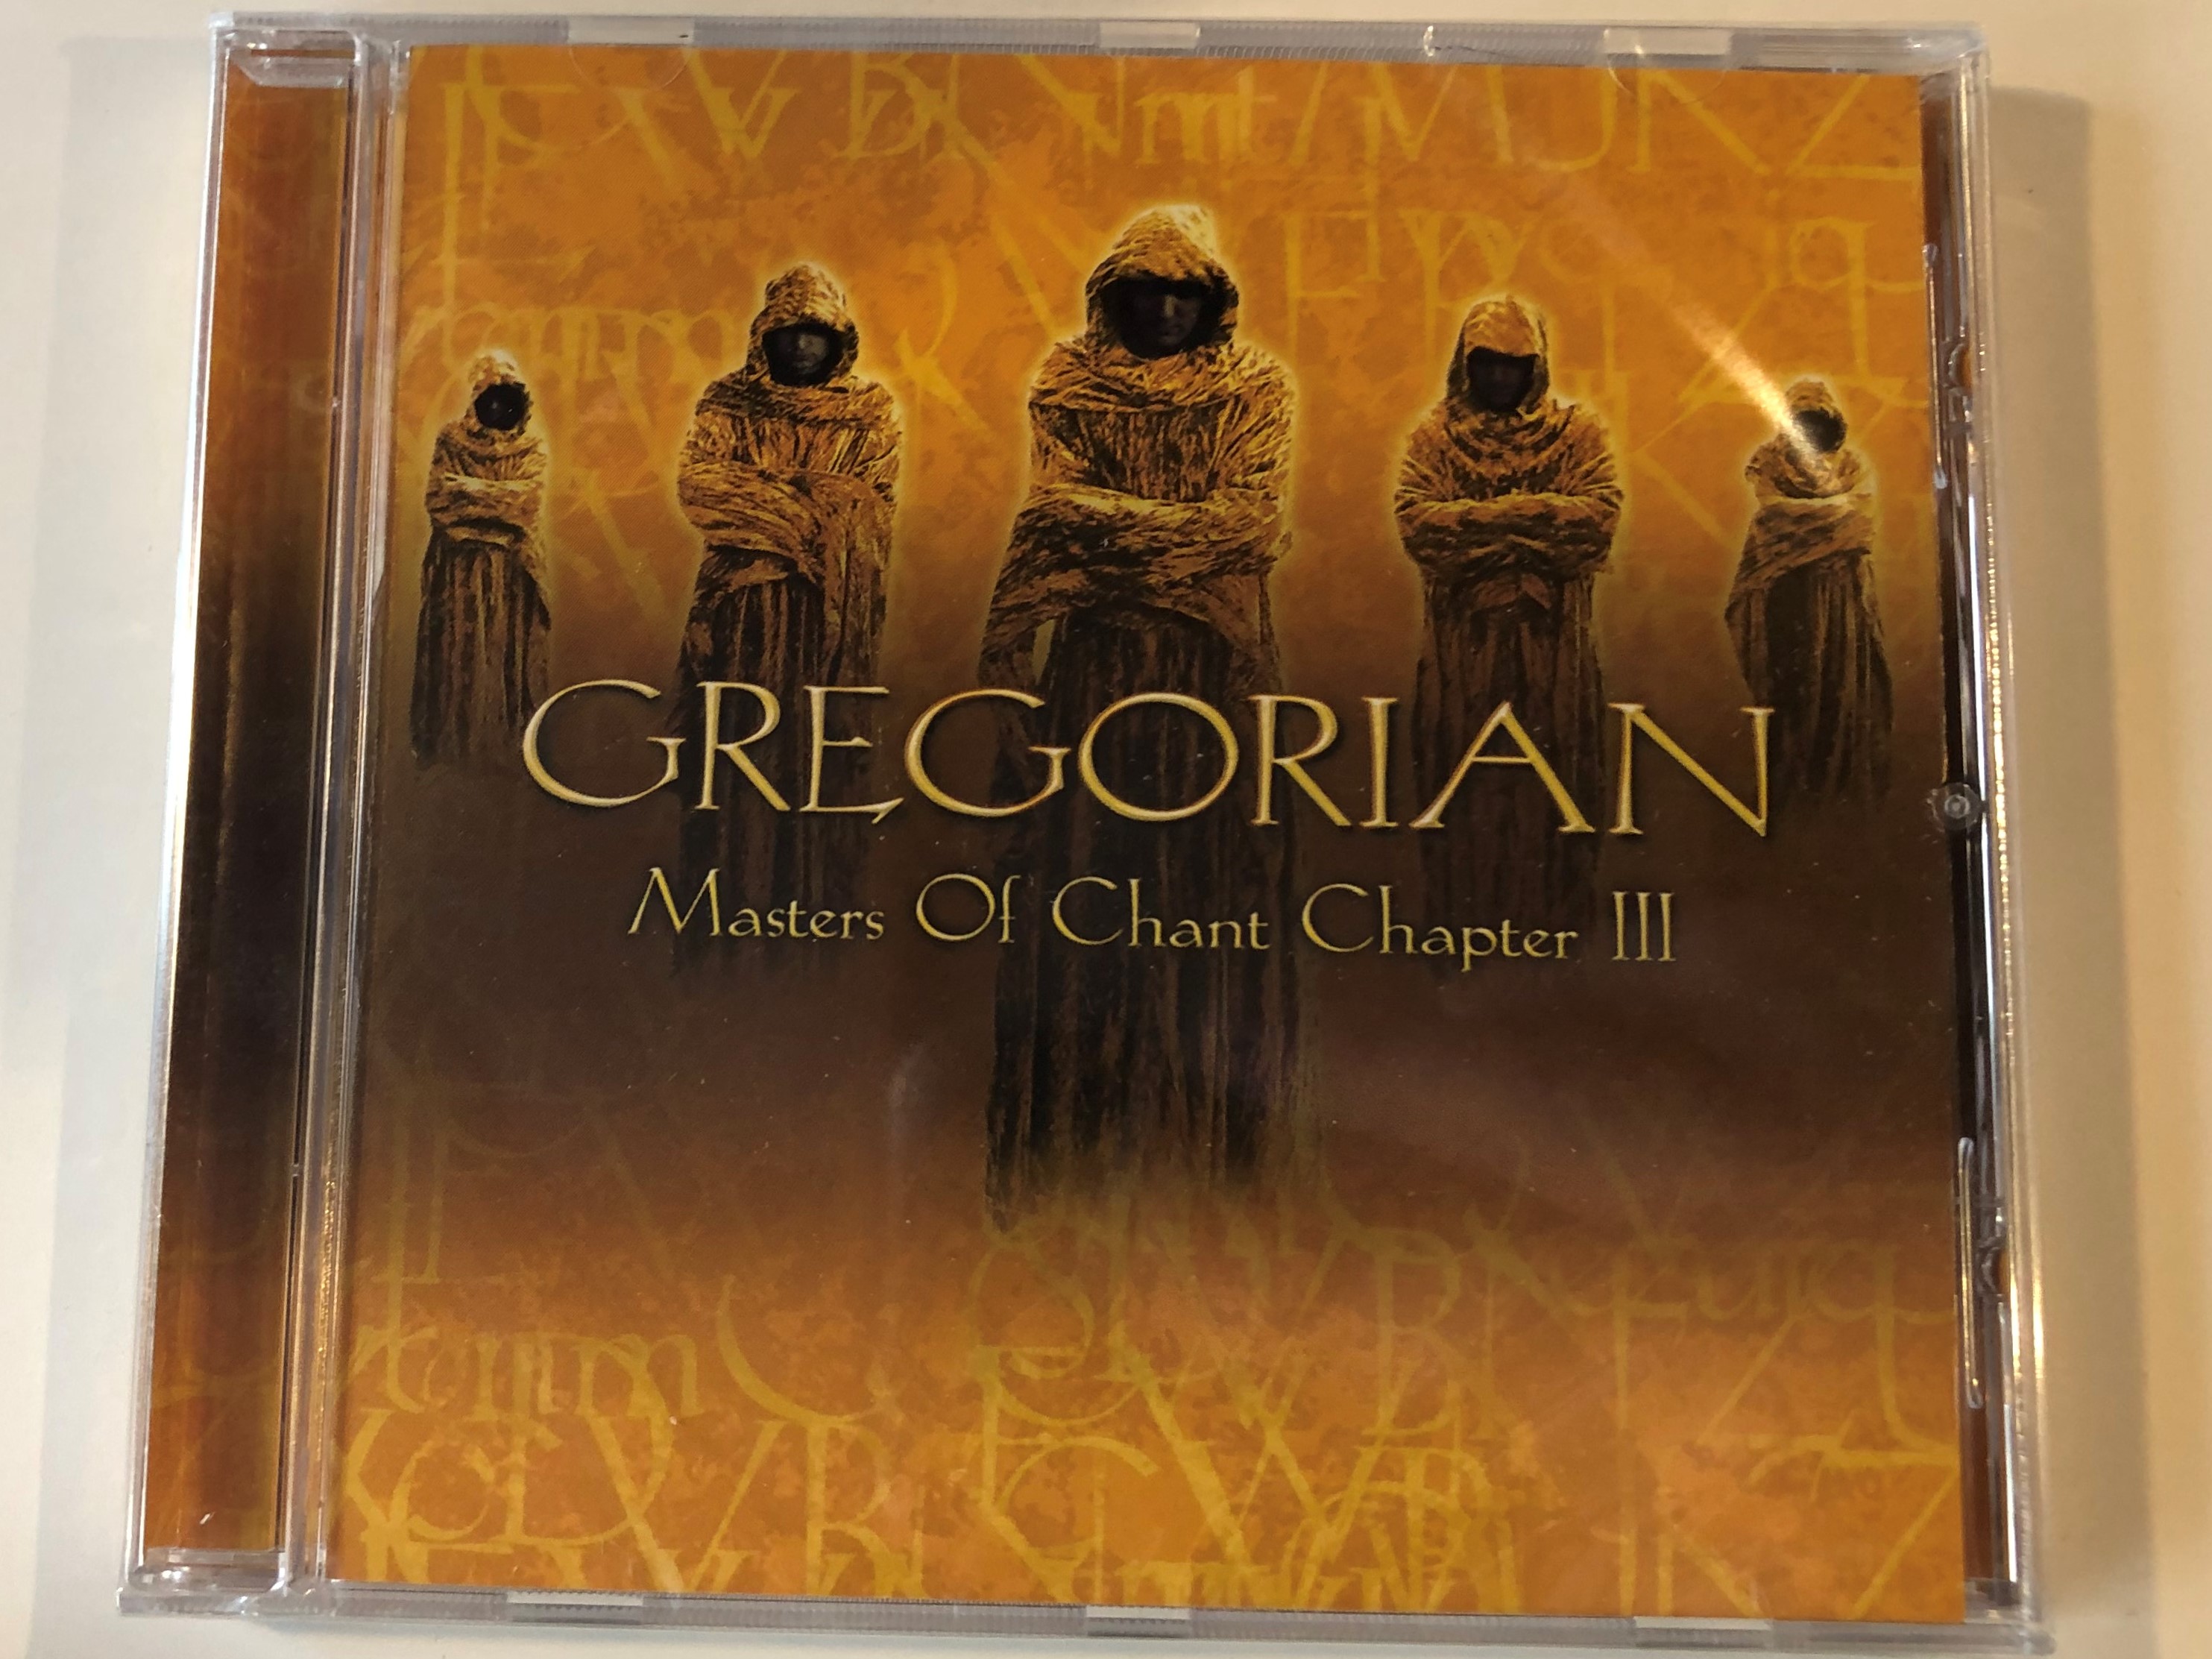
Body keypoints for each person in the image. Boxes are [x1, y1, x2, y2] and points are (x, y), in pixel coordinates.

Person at [979, 205, 1299, 1212]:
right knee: (1089, 887)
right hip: (1093, 676)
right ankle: (1077, 1139)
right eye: (1146, 290)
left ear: (1210, 300)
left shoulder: (1256, 387)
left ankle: (1201, 1145)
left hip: (1213, 669)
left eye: (1182, 292)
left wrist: (1108, 541)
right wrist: (1170, 543)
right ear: (1112, 296)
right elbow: (1048, 514)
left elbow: (1250, 526)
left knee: (1208, 893)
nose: (1163, 309)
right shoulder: (1068, 381)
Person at [669, 264, 900, 932]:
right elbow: (702, 489)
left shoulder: (870, 410)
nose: (801, 346)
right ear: (763, 335)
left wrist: (770, 504)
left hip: (828, 617)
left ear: (838, 340)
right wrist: (818, 503)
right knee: (734, 751)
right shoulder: (726, 402)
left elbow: (872, 507)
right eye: (789, 331)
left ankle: (810, 915)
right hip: (738, 611)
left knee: (813, 755)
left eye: (815, 332)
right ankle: (726, 913)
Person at [1395, 296, 1620, 929]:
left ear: (1535, 366)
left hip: (1553, 647)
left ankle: (1557, 931)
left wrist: (1481, 527)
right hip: (1461, 648)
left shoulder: (1576, 433)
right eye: (1487, 362)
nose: (1499, 376)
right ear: (1466, 364)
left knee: (1555, 782)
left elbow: (1596, 522)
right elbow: (1419, 527)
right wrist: (1532, 520)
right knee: (1463, 783)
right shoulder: (1434, 436)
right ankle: (1463, 927)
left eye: (1513, 363)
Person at [1726, 377, 1892, 805]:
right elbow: (1771, 518)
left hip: (1843, 597)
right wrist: (1832, 522)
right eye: (1801, 420)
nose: (1810, 429)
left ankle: (1838, 791)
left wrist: (1797, 525)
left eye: (1817, 419)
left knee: (1841, 686)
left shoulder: (1852, 466)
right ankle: (1792, 787)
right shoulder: (1769, 463)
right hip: (1787, 596)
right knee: (1791, 690)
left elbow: (1861, 523)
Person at [410, 350, 551, 765]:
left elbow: (525, 506)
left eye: (507, 395)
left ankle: (505, 757)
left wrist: (467, 492)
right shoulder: (451, 440)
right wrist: (496, 507)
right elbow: (440, 501)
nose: (498, 405)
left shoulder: (531, 447)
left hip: (512, 573)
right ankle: (454, 756)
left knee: (507, 661)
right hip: (458, 572)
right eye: (490, 395)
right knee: (460, 660)